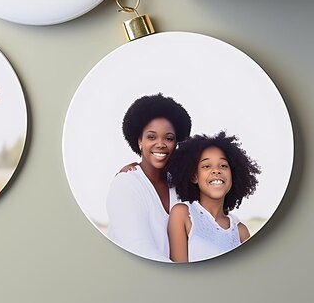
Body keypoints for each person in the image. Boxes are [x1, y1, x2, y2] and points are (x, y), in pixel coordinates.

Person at [106, 93, 192, 261]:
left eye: (169, 138)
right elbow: (137, 247)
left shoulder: (179, 186)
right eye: (151, 137)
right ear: (140, 141)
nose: (160, 144)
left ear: (176, 143)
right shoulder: (126, 184)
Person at [167, 132, 260, 262]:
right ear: (194, 176)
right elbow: (177, 274)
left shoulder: (241, 232)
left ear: (234, 175)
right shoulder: (183, 214)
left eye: (223, 166)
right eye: (206, 166)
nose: (216, 171)